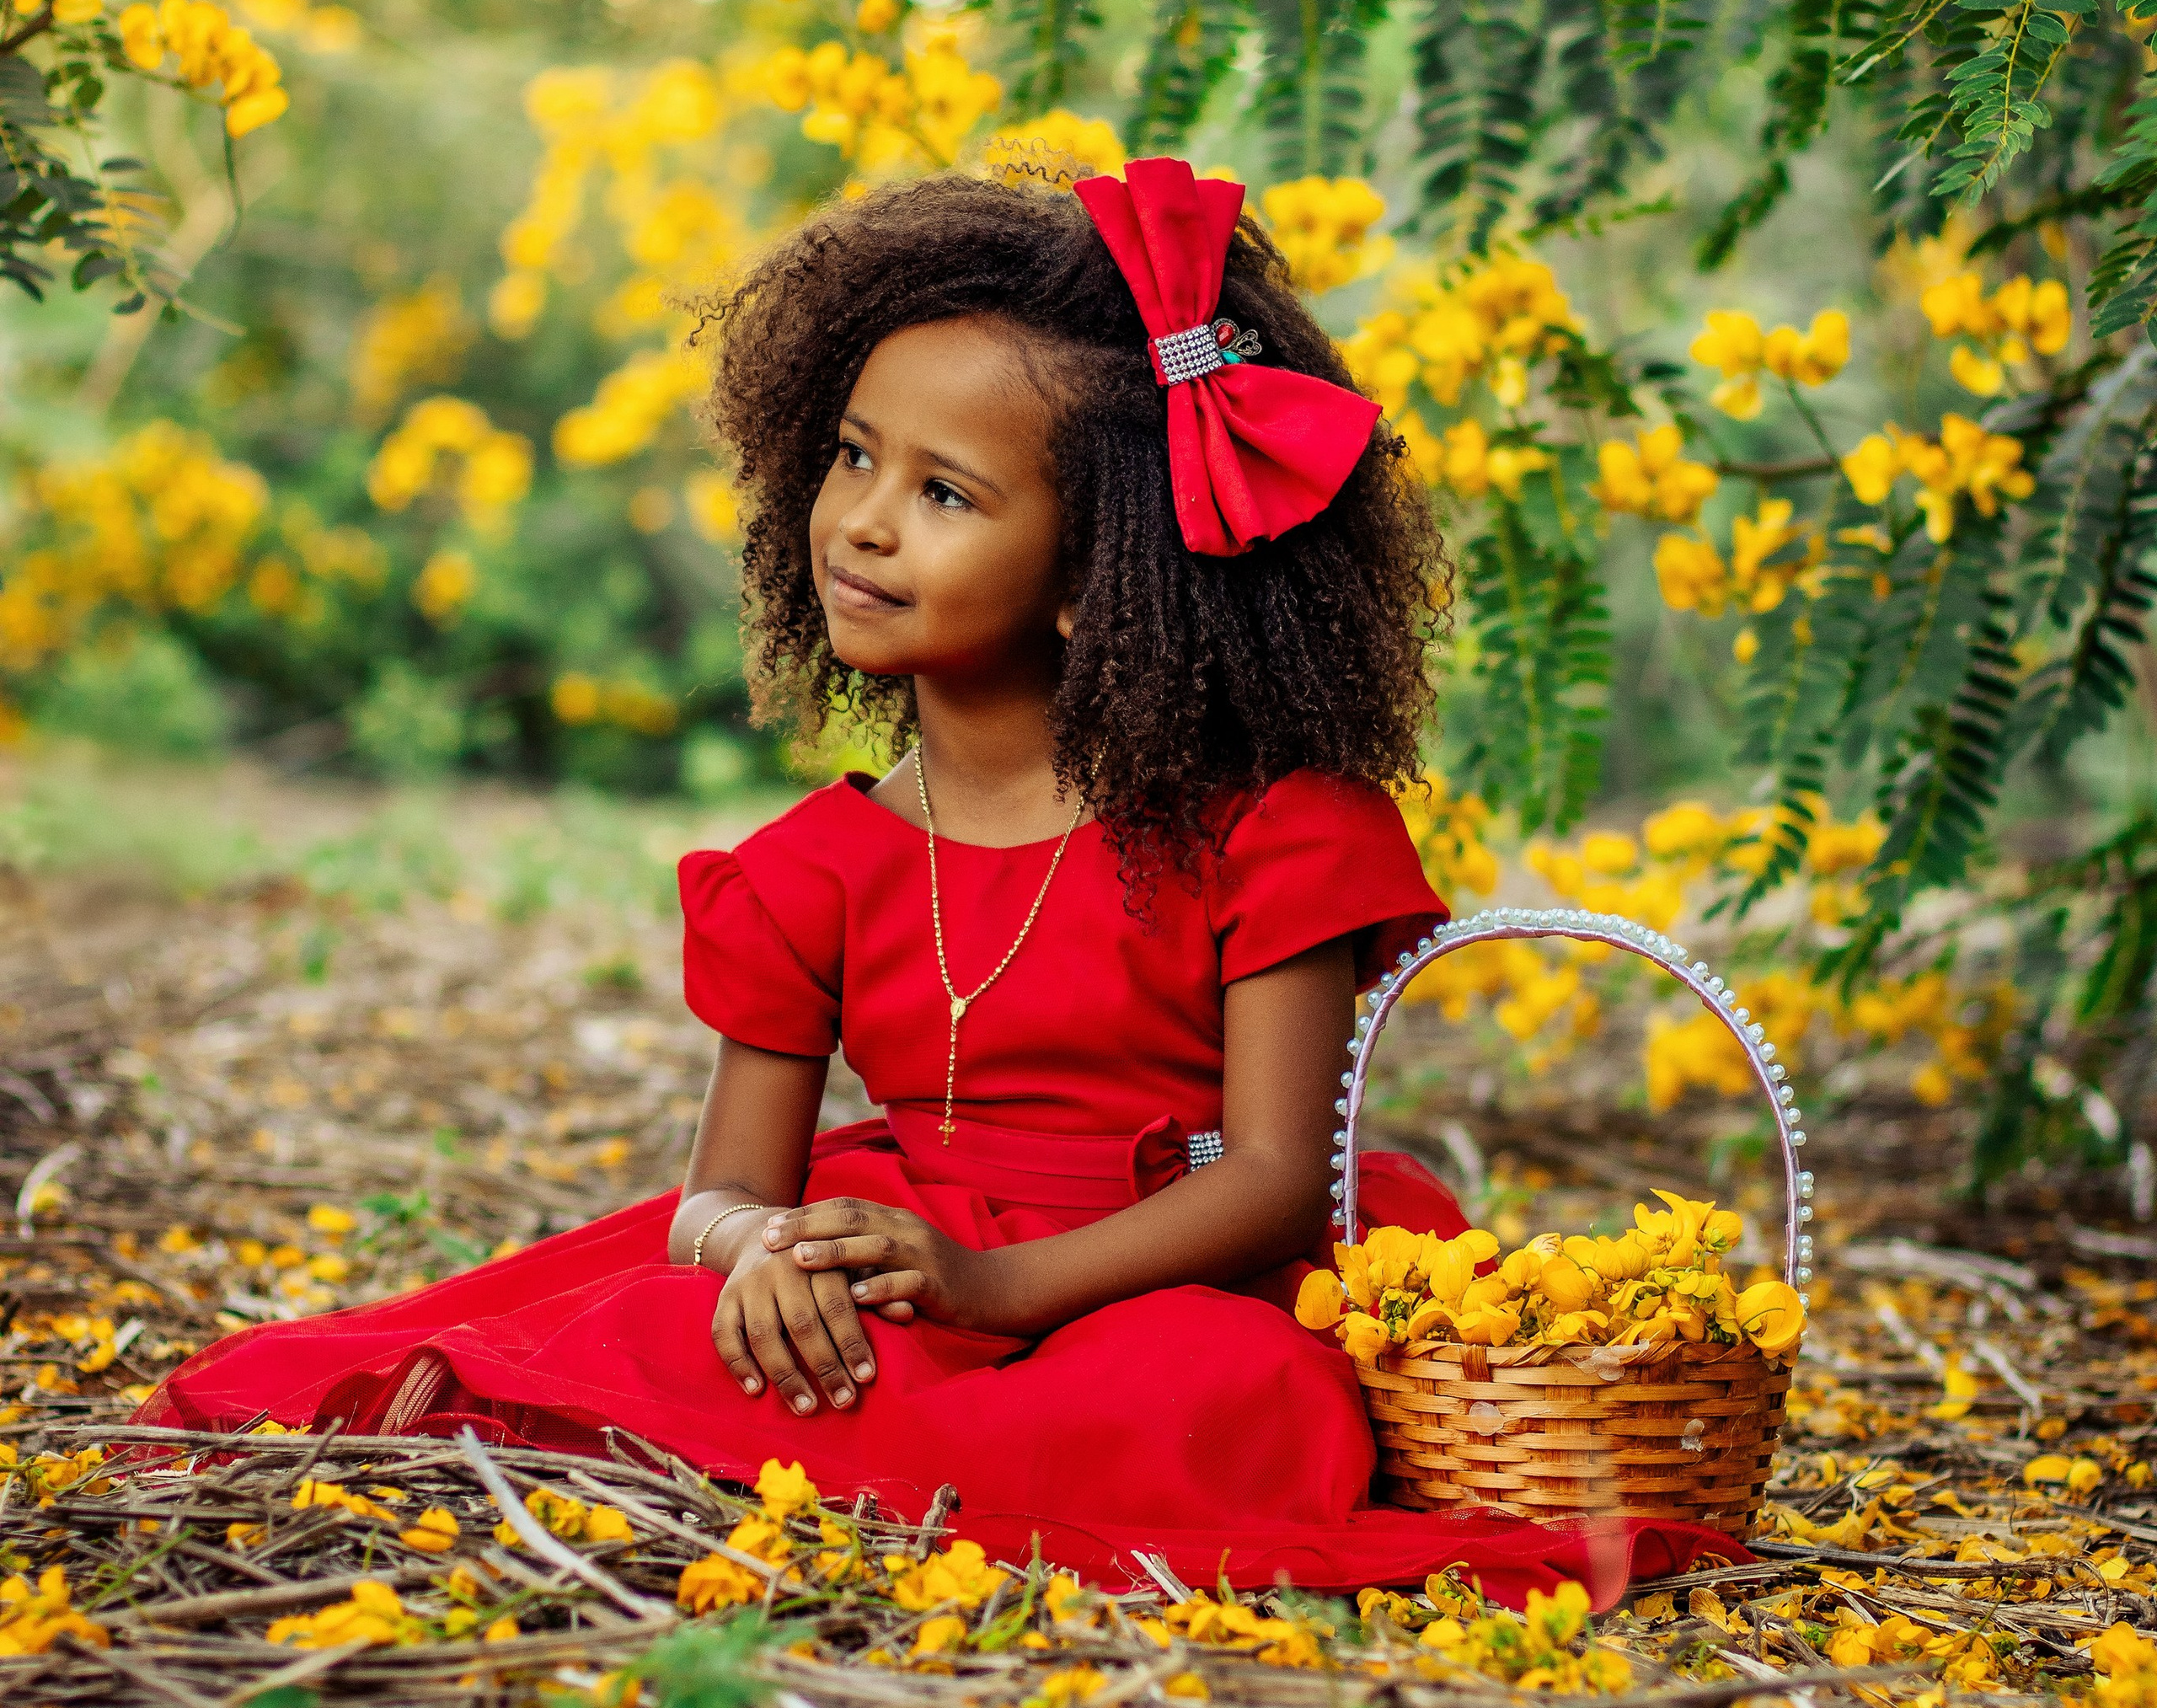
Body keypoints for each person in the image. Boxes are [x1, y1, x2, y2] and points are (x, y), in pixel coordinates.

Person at [143, 158, 1729, 1604]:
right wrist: (760, 1259)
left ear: (1096, 574)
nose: (863, 525)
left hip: (1166, 1280)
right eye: (850, 459)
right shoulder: (810, 871)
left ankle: (962, 1469)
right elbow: (725, 1192)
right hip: (901, 1275)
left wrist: (1000, 1283)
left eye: (945, 494)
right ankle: (915, 1452)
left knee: (1233, 1395)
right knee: (705, 1336)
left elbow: (1276, 1181)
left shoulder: (1277, 831)